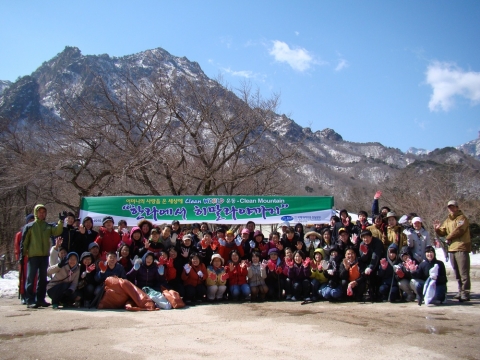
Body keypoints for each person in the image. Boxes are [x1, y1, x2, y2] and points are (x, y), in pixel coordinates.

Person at [21, 204, 64, 308]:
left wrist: (61, 222)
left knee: (43, 278)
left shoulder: (47, 226)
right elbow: (24, 242)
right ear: (36, 213)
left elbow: (57, 231)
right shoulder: (30, 226)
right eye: (40, 212)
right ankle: (30, 299)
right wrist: (22, 255)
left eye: (44, 212)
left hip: (44, 255)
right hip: (33, 255)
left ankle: (40, 299)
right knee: (31, 278)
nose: (42, 214)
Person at [434, 200, 471, 302]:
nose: (451, 209)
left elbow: (460, 230)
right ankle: (460, 291)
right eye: (449, 207)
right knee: (457, 272)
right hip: (452, 248)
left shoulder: (462, 218)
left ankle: (466, 292)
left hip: (462, 247)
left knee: (464, 272)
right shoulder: (447, 220)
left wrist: (449, 237)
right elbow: (443, 231)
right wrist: (437, 229)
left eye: (453, 207)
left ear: (457, 207)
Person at [15, 214, 35, 304]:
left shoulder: (36, 233)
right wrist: (18, 257)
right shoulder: (20, 234)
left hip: (34, 257)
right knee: (23, 277)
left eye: (33, 220)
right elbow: (17, 247)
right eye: (30, 220)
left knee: (34, 277)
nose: (31, 222)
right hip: (24, 258)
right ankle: (23, 295)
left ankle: (32, 295)